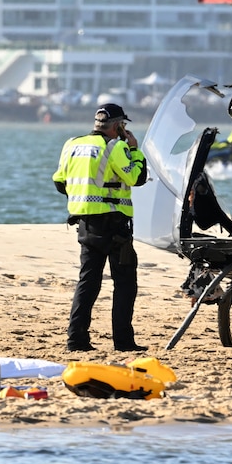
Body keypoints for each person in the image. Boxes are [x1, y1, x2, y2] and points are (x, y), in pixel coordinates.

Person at [52, 103, 149, 352]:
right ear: (117, 127)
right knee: (125, 282)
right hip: (115, 224)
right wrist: (135, 150)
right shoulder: (115, 146)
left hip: (86, 224)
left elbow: (60, 182)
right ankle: (123, 342)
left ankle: (76, 340)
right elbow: (135, 178)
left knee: (88, 282)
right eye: (123, 127)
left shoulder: (72, 144)